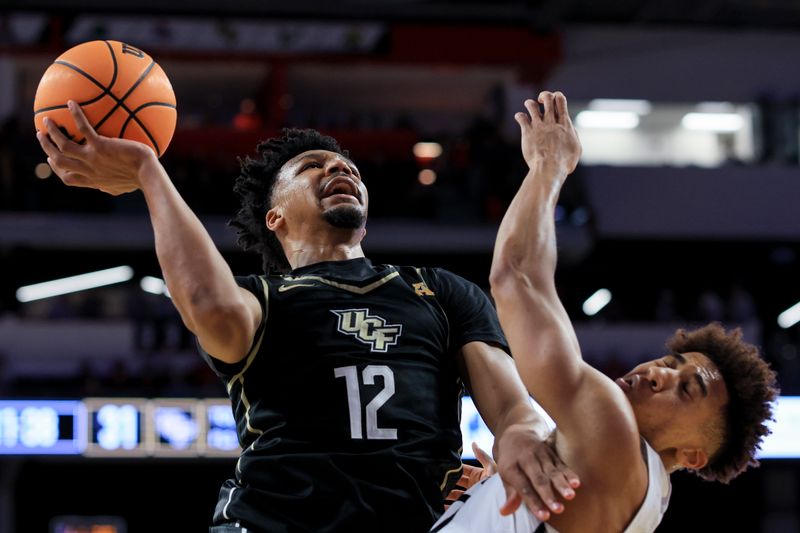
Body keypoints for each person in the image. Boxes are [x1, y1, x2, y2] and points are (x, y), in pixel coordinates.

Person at [37, 102, 579, 532]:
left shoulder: (438, 291)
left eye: (347, 166)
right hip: (272, 523)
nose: (337, 166)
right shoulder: (263, 299)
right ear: (275, 216)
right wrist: (147, 172)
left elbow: (512, 407)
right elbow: (206, 302)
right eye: (310, 166)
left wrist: (524, 435)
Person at [431, 92, 780, 532]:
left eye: (687, 389)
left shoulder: (616, 434)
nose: (659, 374)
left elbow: (516, 278)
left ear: (692, 455)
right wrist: (485, 503)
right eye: (672, 363)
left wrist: (549, 167)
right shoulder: (640, 499)